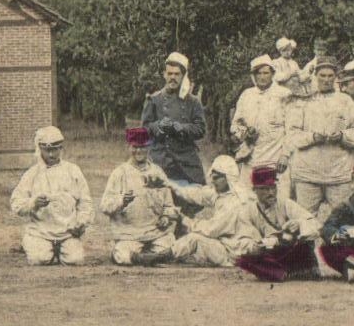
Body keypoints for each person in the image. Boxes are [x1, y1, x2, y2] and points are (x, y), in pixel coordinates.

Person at [277, 56, 354, 214]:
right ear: (315, 76)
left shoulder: (345, 100)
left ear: (335, 78)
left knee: (343, 220)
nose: (326, 80)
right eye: (322, 75)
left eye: (330, 76)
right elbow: (292, 135)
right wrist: (312, 138)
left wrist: (342, 136)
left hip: (339, 172)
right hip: (308, 172)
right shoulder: (303, 101)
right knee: (305, 220)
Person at [9, 126, 93, 265]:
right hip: (40, 232)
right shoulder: (32, 174)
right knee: (39, 259)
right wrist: (33, 203)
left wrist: (81, 223)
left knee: (75, 260)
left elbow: (86, 202)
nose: (52, 155)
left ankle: (62, 248)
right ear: (40, 149)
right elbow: (16, 203)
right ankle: (31, 243)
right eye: (47, 150)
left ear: (61, 149)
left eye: (55, 149)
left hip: (67, 232)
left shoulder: (73, 171)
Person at [100, 127, 181, 265]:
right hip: (129, 234)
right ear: (129, 147)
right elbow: (104, 206)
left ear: (148, 147)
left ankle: (147, 256)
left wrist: (166, 217)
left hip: (156, 233)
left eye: (142, 147)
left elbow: (169, 205)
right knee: (123, 256)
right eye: (135, 147)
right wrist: (121, 202)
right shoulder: (119, 173)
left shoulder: (157, 172)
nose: (139, 151)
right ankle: (141, 257)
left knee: (173, 250)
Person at [234, 165, 323, 282]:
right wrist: (253, 247)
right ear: (254, 190)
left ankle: (286, 272)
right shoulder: (248, 211)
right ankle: (285, 273)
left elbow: (316, 224)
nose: (270, 193)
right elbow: (242, 239)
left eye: (273, 188)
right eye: (265, 189)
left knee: (305, 244)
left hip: (291, 250)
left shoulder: (286, 204)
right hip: (269, 252)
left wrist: (299, 224)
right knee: (243, 260)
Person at [170, 156, 260, 267]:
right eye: (212, 177)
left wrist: (184, 220)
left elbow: (211, 230)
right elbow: (197, 194)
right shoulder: (223, 193)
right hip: (225, 245)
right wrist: (169, 184)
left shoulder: (235, 202)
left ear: (228, 178)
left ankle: (162, 256)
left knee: (194, 238)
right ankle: (166, 255)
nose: (213, 181)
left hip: (234, 253)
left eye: (216, 178)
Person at [141, 52, 208, 188]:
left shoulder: (193, 102)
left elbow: (201, 129)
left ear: (183, 76)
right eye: (170, 73)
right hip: (161, 159)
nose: (173, 77)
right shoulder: (154, 99)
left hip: (186, 162)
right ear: (164, 75)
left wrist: (181, 127)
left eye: (177, 74)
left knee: (193, 198)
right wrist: (158, 125)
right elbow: (143, 130)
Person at [232, 55, 288, 192]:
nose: (262, 77)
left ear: (272, 74)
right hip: (250, 159)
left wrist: (285, 155)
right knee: (245, 200)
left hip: (274, 160)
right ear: (254, 75)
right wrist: (245, 134)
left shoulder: (284, 94)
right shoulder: (247, 95)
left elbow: (292, 129)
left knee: (272, 202)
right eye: (258, 73)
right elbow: (235, 125)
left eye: (266, 73)